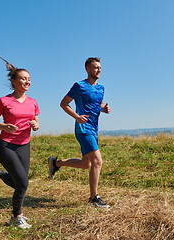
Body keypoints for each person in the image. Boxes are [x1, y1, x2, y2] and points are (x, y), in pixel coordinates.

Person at [48, 57, 111, 208]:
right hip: (83, 129)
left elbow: (98, 104)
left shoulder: (101, 88)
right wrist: (77, 116)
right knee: (97, 161)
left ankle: (56, 163)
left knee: (85, 164)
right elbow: (64, 103)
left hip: (94, 129)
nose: (99, 70)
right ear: (88, 69)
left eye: (100, 68)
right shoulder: (79, 86)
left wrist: (104, 109)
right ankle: (94, 198)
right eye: (95, 67)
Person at [0, 55, 40, 229]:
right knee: (23, 183)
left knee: (19, 182)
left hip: (24, 144)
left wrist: (35, 124)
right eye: (23, 79)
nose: (27, 82)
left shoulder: (33, 102)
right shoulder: (3, 101)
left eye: (29, 79)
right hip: (6, 145)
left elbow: (36, 122)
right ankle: (16, 217)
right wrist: (3, 126)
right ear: (14, 81)